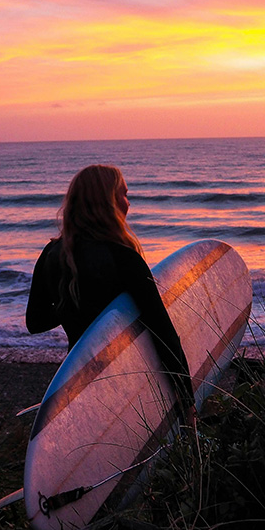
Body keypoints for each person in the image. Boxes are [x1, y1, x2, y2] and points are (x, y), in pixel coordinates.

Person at [26, 164, 196, 429]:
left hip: (77, 381)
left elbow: (35, 322)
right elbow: (163, 333)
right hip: (127, 380)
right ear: (108, 202)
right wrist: (187, 400)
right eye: (124, 194)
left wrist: (72, 304)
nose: (129, 203)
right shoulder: (124, 258)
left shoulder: (51, 254)